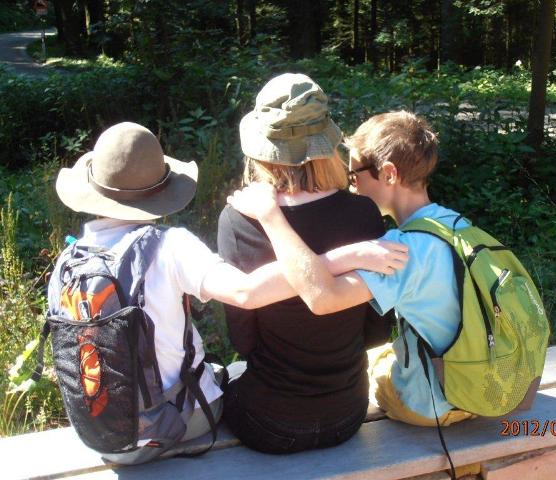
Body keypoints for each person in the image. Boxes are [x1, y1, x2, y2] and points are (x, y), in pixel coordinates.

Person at [50, 121, 407, 461]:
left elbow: (244, 340)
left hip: (102, 433)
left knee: (235, 375)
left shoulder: (68, 261)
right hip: (188, 423)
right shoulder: (170, 246)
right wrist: (346, 257)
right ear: (160, 190)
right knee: (224, 378)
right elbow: (247, 292)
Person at [228, 110, 474, 428]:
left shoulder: (400, 250)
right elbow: (375, 332)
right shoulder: (454, 224)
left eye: (355, 175)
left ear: (388, 174)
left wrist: (272, 217)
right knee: (376, 358)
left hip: (435, 402)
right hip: (475, 378)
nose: (351, 187)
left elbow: (322, 299)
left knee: (380, 369)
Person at [217, 73, 400, 454]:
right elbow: (377, 332)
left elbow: (243, 340)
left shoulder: (239, 219)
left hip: (268, 423)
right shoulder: (363, 213)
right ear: (326, 142)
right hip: (348, 415)